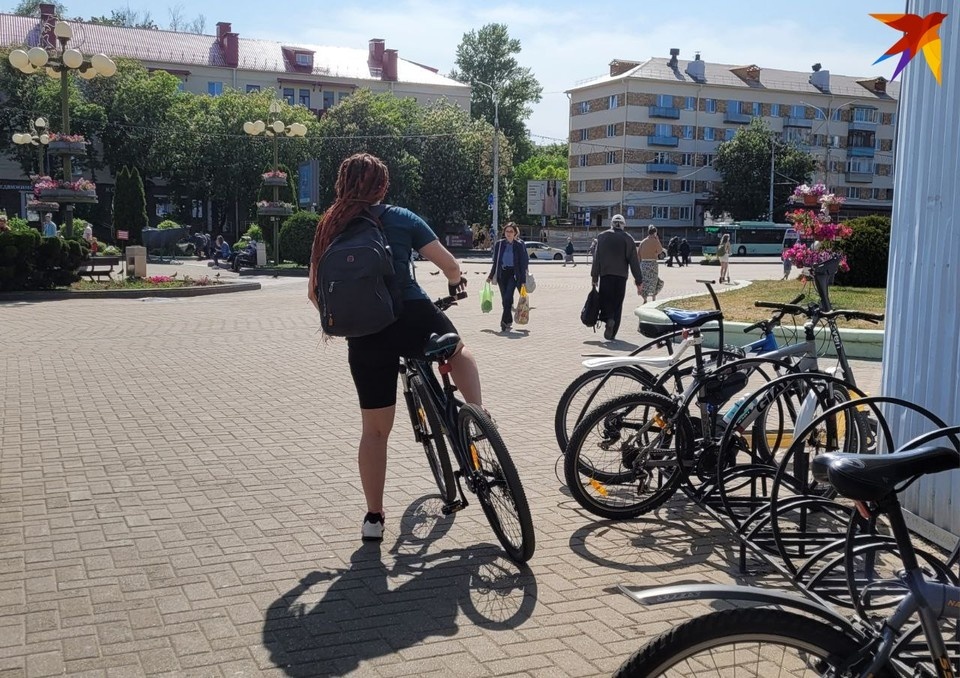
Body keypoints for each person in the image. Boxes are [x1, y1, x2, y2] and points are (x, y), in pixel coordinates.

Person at [307, 152, 480, 542]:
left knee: (375, 432)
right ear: (382, 186)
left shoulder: (329, 227)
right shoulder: (402, 218)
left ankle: (373, 518)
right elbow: (449, 264)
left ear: (341, 183)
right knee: (458, 350)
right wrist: (456, 283)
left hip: (366, 337)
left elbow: (315, 294)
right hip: (412, 316)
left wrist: (352, 319)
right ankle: (479, 417)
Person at [591, 213, 642, 341]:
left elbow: (597, 259)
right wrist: (639, 280)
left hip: (606, 275)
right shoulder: (628, 239)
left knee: (606, 300)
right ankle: (613, 332)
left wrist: (594, 277)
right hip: (621, 277)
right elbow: (634, 262)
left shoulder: (602, 237)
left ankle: (609, 319)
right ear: (623, 225)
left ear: (611, 224)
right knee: (617, 304)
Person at [486, 222, 529, 332]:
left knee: (507, 297)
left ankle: (503, 322)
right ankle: (509, 320)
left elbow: (524, 264)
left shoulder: (519, 245)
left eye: (511, 231)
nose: (509, 233)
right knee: (505, 300)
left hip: (514, 275)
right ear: (504, 232)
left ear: (515, 233)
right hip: (502, 274)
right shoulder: (499, 244)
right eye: (507, 231)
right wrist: (490, 276)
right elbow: (496, 262)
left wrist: (523, 281)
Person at [636, 225, 666, 303]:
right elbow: (660, 251)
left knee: (644, 281)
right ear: (655, 233)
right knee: (654, 281)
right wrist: (658, 241)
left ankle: (645, 299)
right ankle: (653, 297)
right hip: (653, 263)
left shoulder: (643, 241)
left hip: (644, 264)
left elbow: (638, 254)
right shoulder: (656, 241)